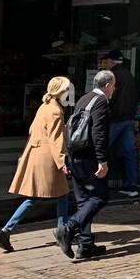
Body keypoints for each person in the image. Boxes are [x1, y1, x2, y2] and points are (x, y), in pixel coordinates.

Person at [0, 77, 74, 253]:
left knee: (33, 197)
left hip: (35, 155)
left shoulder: (44, 107)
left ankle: (6, 231)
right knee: (63, 194)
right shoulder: (55, 111)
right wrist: (62, 161)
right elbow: (55, 139)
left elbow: (32, 131)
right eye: (67, 89)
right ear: (61, 91)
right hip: (48, 158)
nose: (69, 93)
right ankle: (62, 230)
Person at [55, 69, 115, 262]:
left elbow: (70, 128)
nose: (114, 89)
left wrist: (65, 155)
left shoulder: (84, 99)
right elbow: (99, 132)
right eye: (113, 86)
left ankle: (86, 245)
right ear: (107, 86)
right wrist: (102, 160)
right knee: (99, 197)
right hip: (89, 158)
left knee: (84, 202)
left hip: (75, 156)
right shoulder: (101, 102)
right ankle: (68, 229)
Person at [103, 49, 139, 198]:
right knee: (129, 152)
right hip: (128, 118)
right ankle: (131, 185)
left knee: (101, 149)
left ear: (111, 62)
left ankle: (95, 184)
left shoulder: (113, 76)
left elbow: (110, 97)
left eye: (107, 61)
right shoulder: (129, 75)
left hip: (115, 118)